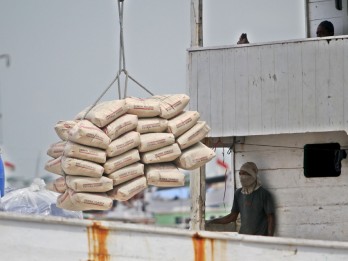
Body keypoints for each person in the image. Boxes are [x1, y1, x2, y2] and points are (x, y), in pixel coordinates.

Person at [206, 162, 275, 236]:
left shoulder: (263, 194)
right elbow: (232, 217)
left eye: (245, 173)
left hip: (259, 238)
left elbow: (270, 218)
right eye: (240, 173)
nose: (242, 176)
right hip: (243, 237)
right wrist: (212, 221)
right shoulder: (238, 193)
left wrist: (270, 237)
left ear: (253, 175)